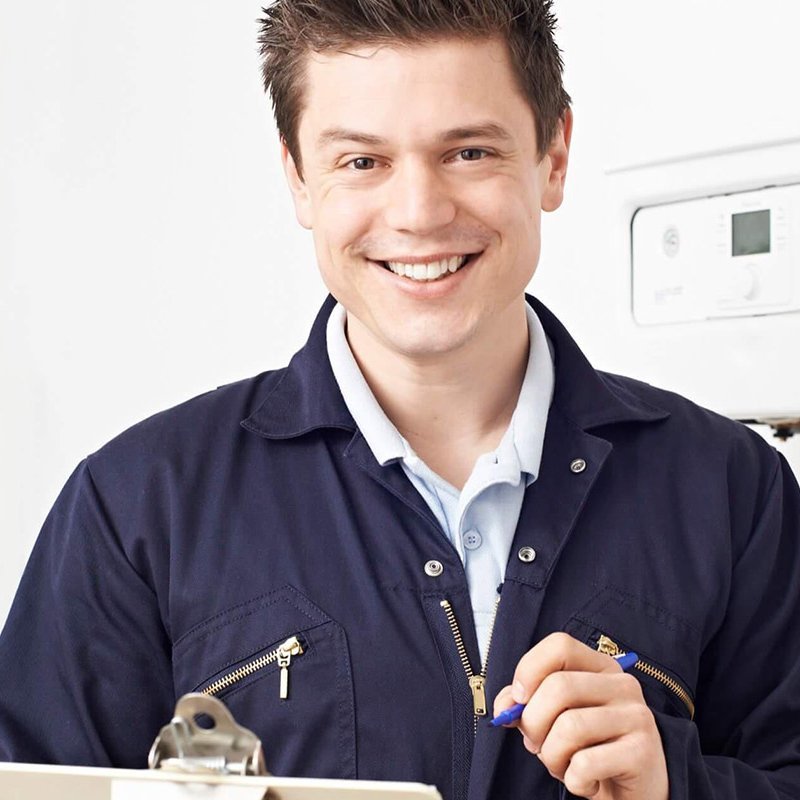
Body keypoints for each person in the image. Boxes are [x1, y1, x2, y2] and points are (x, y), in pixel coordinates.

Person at [1, 1, 799, 798]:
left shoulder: (735, 491)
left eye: (470, 151)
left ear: (554, 154)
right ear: (298, 178)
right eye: (361, 162)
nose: (419, 212)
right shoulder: (138, 506)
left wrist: (676, 782)